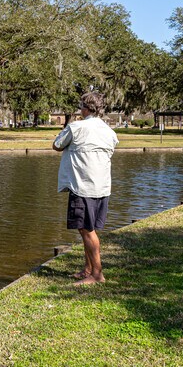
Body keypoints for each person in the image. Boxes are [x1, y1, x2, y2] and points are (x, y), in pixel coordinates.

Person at [52, 91, 119, 285]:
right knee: (87, 229)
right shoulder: (109, 131)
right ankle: (88, 269)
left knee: (87, 230)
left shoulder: (76, 127)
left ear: (87, 108)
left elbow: (57, 145)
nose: (79, 109)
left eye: (81, 105)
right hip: (102, 187)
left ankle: (97, 275)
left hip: (83, 186)